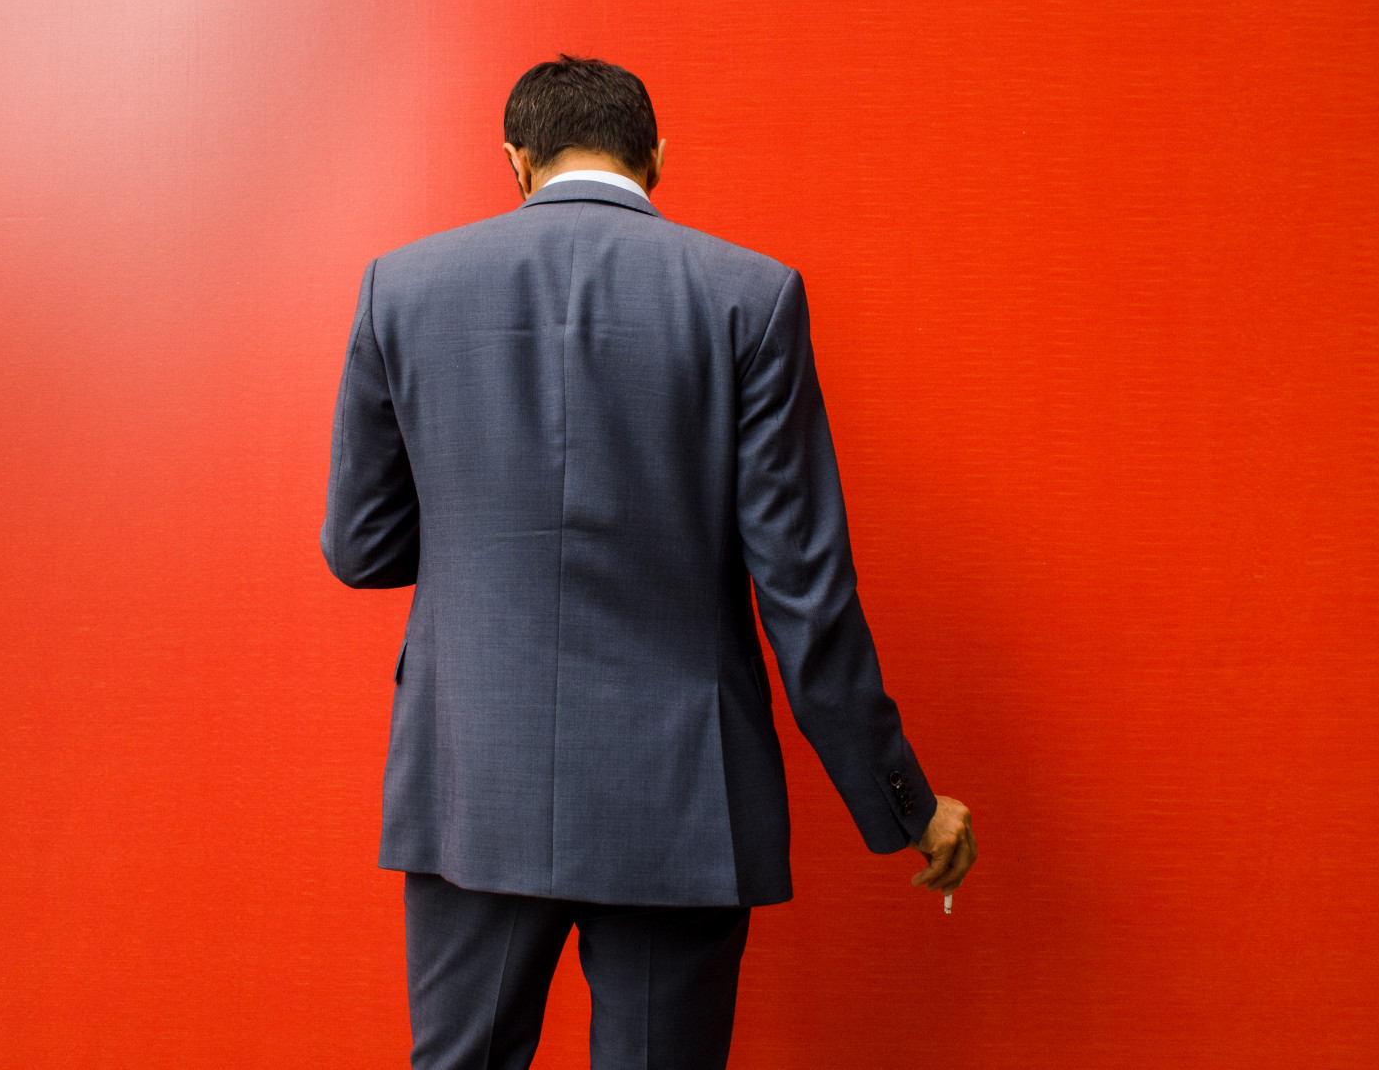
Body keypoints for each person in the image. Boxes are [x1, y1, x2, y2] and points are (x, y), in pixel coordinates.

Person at [322, 55, 975, 1069]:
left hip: (470, 781)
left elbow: (362, 549)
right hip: (681, 796)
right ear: (658, 158)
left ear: (514, 159)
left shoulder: (400, 287)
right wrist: (903, 802)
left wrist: (474, 535)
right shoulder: (750, 298)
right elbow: (805, 594)